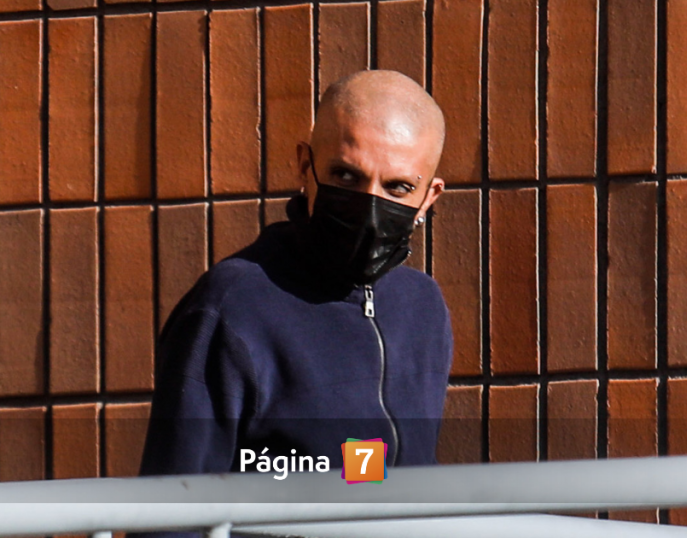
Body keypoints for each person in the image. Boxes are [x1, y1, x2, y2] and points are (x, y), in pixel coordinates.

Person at [135, 70, 453, 533]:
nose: (369, 207)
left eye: (398, 188)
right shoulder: (231, 307)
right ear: (305, 166)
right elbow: (171, 514)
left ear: (429, 197)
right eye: (345, 175)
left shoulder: (421, 307)